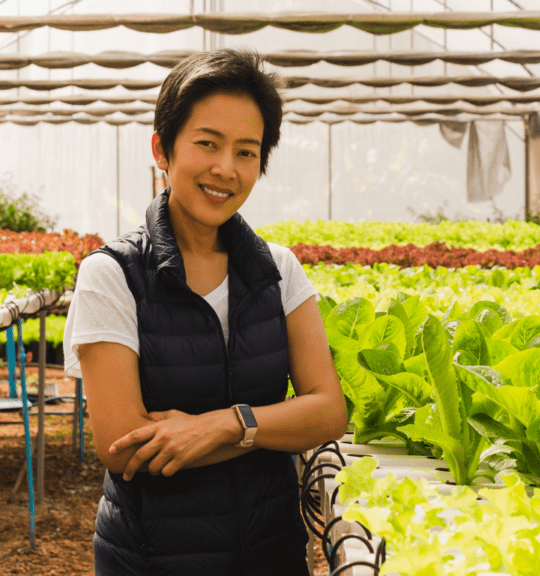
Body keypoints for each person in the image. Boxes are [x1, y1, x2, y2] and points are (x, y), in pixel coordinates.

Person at [62, 48, 348, 575]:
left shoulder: (279, 271)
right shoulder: (112, 275)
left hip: (271, 551)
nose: (225, 169)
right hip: (152, 558)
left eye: (246, 152)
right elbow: (123, 447)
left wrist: (222, 426)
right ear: (162, 148)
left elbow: (329, 411)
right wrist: (274, 428)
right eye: (207, 144)